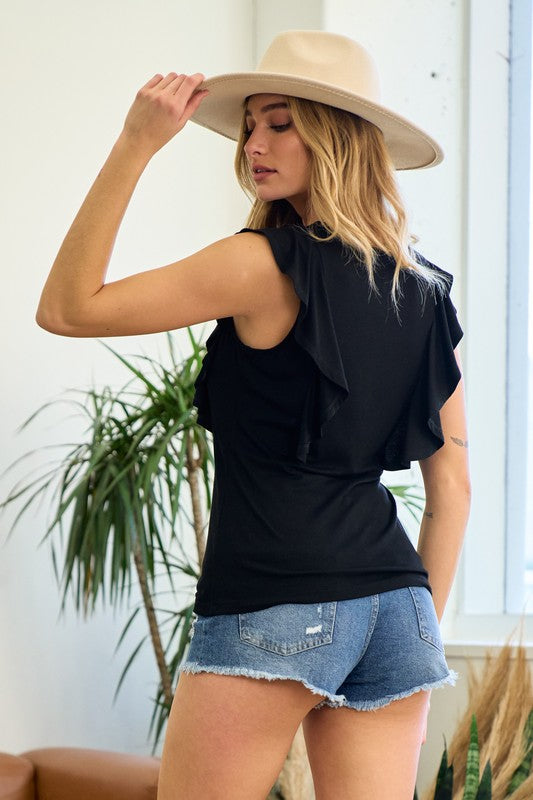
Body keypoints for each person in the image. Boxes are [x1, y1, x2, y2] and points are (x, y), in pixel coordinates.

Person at [36, 29, 471, 800]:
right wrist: (411, 631)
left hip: (274, 595)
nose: (253, 146)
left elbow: (68, 308)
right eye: (247, 126)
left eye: (279, 124)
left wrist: (136, 144)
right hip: (399, 609)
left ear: (334, 138)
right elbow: (454, 492)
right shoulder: (425, 290)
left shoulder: (260, 264)